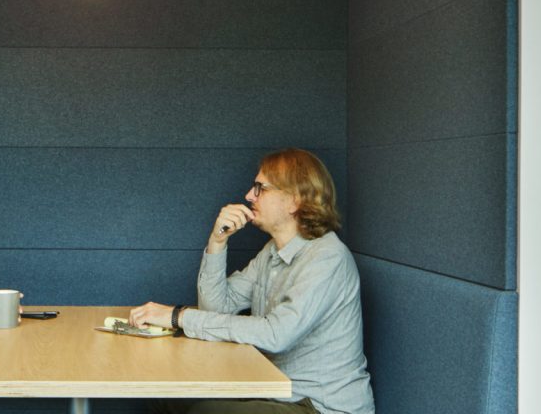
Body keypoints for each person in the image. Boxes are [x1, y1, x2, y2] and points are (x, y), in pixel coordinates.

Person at [130, 148, 374, 414]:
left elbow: (275, 335)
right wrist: (217, 241)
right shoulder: (272, 252)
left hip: (318, 405)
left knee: (207, 413)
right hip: (274, 392)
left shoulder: (327, 258)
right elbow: (216, 309)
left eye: (261, 188)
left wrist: (179, 317)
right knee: (165, 393)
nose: (249, 195)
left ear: (294, 200)